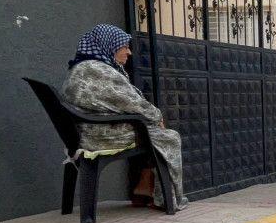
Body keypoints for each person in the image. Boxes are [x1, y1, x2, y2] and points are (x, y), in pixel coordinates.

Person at [61, 24, 188, 210]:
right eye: (124, 46)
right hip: (100, 136)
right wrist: (157, 116)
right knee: (170, 137)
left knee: (150, 132)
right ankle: (167, 199)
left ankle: (144, 188)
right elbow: (133, 103)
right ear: (109, 45)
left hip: (88, 132)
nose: (129, 52)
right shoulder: (99, 71)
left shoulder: (82, 68)